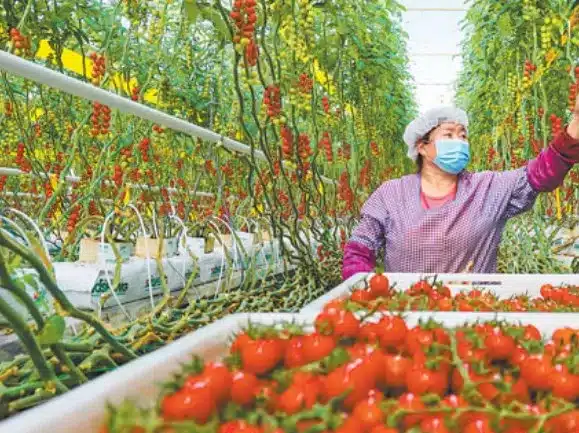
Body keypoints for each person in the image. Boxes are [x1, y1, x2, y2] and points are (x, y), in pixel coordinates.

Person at [342, 97, 579, 279]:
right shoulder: (391, 194)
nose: (460, 142)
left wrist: (576, 124)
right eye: (449, 134)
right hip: (407, 316)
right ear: (422, 147)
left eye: (463, 136)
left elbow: (541, 175)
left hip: (473, 312)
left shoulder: (487, 188)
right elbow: (360, 247)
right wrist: (362, 291)